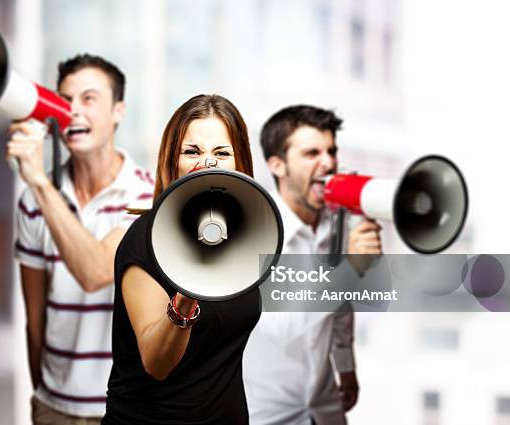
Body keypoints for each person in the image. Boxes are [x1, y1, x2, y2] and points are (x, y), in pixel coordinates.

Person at [9, 54, 154, 425]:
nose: (73, 111)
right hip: (53, 406)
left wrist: (40, 183)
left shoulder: (146, 195)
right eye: (64, 99)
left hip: (124, 407)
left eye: (88, 99)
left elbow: (96, 272)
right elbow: (34, 315)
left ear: (118, 110)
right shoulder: (31, 203)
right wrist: (45, 392)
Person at [102, 94, 259, 425]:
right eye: (192, 152)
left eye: (221, 153)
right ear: (171, 163)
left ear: (240, 163)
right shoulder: (144, 241)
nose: (207, 163)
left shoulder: (242, 240)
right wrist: (187, 293)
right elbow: (157, 363)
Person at [243, 105, 383, 425]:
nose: (329, 163)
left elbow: (340, 306)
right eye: (312, 153)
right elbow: (280, 328)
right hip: (268, 413)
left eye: (331, 151)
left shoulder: (336, 224)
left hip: (325, 408)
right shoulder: (255, 232)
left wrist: (345, 366)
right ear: (277, 165)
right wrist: (350, 269)